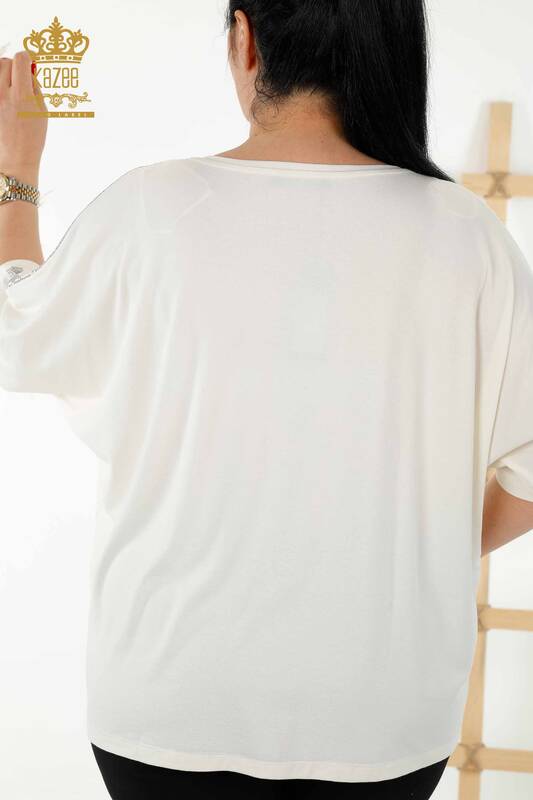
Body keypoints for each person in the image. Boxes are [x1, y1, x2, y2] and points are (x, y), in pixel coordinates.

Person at [1, 2, 533, 799]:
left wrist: (16, 172)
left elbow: (18, 333)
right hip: (383, 719)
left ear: (245, 39)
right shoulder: (465, 233)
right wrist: (426, 547)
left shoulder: (151, 207)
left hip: (170, 702)